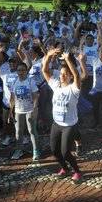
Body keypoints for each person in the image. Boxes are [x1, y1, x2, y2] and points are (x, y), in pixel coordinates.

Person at [42, 48, 83, 182]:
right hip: (56, 124)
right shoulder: (56, 85)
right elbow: (45, 71)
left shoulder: (74, 89)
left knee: (65, 152)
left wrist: (67, 60)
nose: (62, 76)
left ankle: (77, 171)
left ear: (70, 76)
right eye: (61, 74)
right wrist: (48, 56)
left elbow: (77, 75)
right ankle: (65, 168)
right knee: (54, 151)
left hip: (69, 126)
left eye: (65, 74)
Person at [8, 61, 40, 161]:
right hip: (18, 110)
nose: (21, 72)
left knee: (32, 130)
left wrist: (34, 109)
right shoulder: (14, 82)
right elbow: (12, 98)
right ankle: (19, 150)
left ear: (26, 71)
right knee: (18, 131)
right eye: (19, 70)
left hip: (30, 109)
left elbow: (36, 96)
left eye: (23, 70)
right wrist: (10, 112)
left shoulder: (31, 81)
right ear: (16, 72)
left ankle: (36, 150)